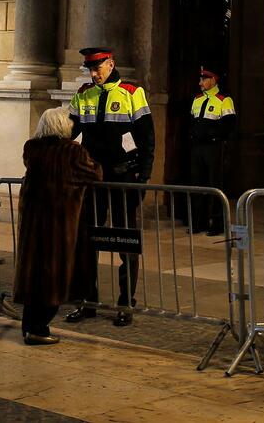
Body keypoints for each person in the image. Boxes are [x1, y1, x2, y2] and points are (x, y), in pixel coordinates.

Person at [65, 47, 155, 327]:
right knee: (88, 241)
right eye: (90, 69)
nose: (94, 74)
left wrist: (144, 176)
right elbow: (70, 132)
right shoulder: (83, 93)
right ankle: (87, 301)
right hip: (93, 179)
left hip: (123, 178)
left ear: (111, 64)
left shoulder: (131, 92)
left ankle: (126, 303)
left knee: (125, 241)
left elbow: (147, 136)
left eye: (98, 68)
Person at [13, 107, 102, 345]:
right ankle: (39, 329)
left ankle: (29, 327)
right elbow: (94, 175)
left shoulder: (32, 149)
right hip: (59, 224)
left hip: (33, 224)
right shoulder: (72, 151)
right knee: (54, 276)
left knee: (34, 276)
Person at [188, 66, 236, 236]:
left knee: (215, 185)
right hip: (197, 148)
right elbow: (191, 122)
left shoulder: (224, 100)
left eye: (203, 79)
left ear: (213, 80)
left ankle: (217, 224)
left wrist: (213, 135)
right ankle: (198, 222)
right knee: (197, 185)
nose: (200, 83)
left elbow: (229, 125)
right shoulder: (197, 99)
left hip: (213, 148)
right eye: (200, 79)